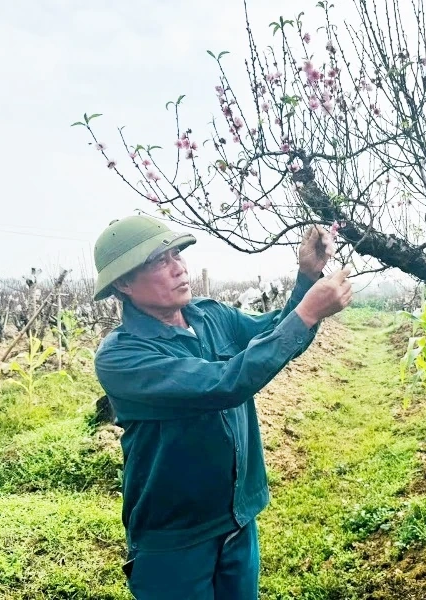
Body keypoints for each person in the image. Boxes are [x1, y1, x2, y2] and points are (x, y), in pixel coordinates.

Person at [92, 215, 352, 599]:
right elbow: (224, 384)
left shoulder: (210, 315)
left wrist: (307, 277)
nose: (179, 268)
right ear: (123, 283)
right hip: (175, 538)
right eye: (159, 261)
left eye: (177, 254)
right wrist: (308, 312)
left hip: (237, 518)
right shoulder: (122, 356)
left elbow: (274, 336)